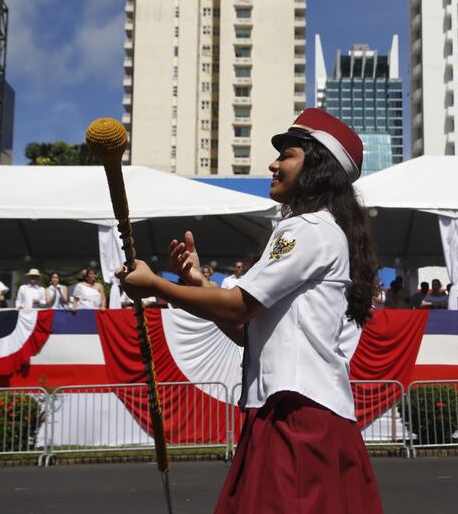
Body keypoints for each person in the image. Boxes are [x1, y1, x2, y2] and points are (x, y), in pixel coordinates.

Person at [118, 108, 383, 512]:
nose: (273, 164)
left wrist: (155, 285)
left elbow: (238, 307)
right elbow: (246, 330)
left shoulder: (307, 229)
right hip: (298, 411)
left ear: (318, 168)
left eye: (287, 155)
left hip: (297, 415)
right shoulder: (320, 229)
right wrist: (200, 286)